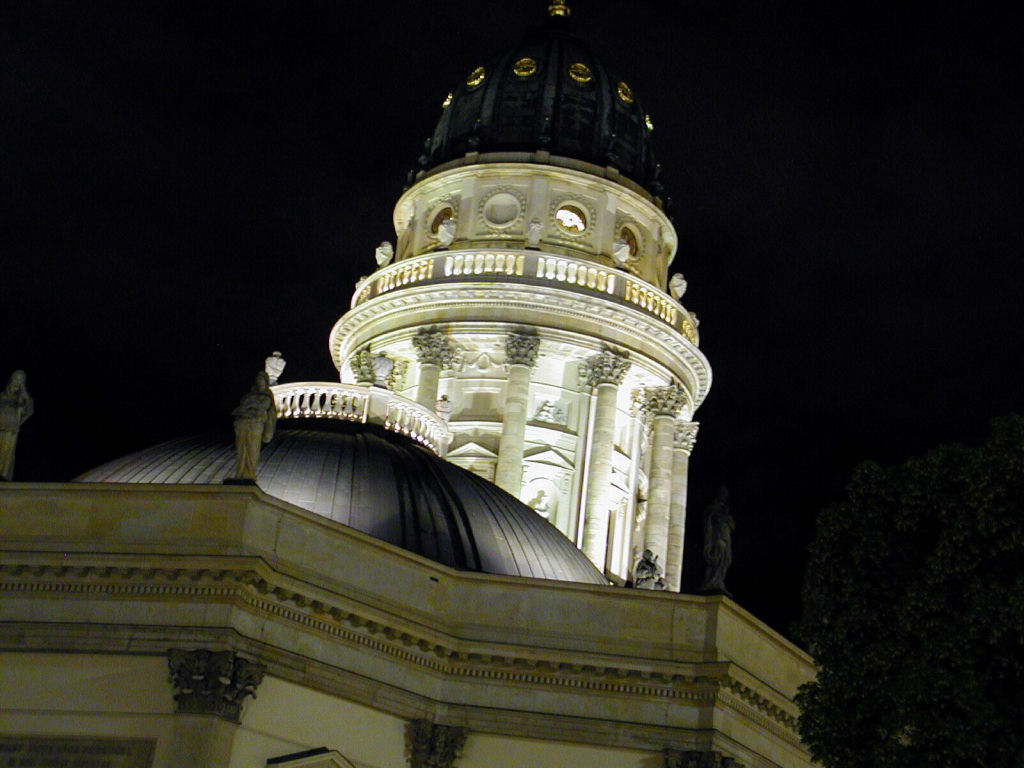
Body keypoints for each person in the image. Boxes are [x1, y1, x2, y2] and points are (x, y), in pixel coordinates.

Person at [231, 371, 276, 481]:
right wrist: (251, 407)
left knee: (252, 449)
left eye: (261, 380)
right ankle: (240, 472)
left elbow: (262, 408)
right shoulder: (248, 396)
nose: (259, 382)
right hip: (243, 425)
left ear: (266, 383)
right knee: (241, 449)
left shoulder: (266, 397)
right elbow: (237, 411)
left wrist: (249, 407)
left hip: (256, 425)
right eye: (258, 380)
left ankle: (249, 474)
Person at [699, 487, 735, 596]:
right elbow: (708, 523)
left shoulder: (725, 511)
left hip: (726, 539)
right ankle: (711, 582)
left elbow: (732, 526)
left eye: (725, 495)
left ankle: (718, 581)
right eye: (722, 494)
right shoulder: (713, 509)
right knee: (715, 560)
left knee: (726, 561)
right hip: (717, 538)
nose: (724, 497)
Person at [0, 370, 33, 481]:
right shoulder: (2, 397)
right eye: (16, 379)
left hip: (11, 429)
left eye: (21, 380)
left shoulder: (21, 400)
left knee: (6, 453)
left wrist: (25, 396)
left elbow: (28, 410)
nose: (18, 382)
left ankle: (3, 476)